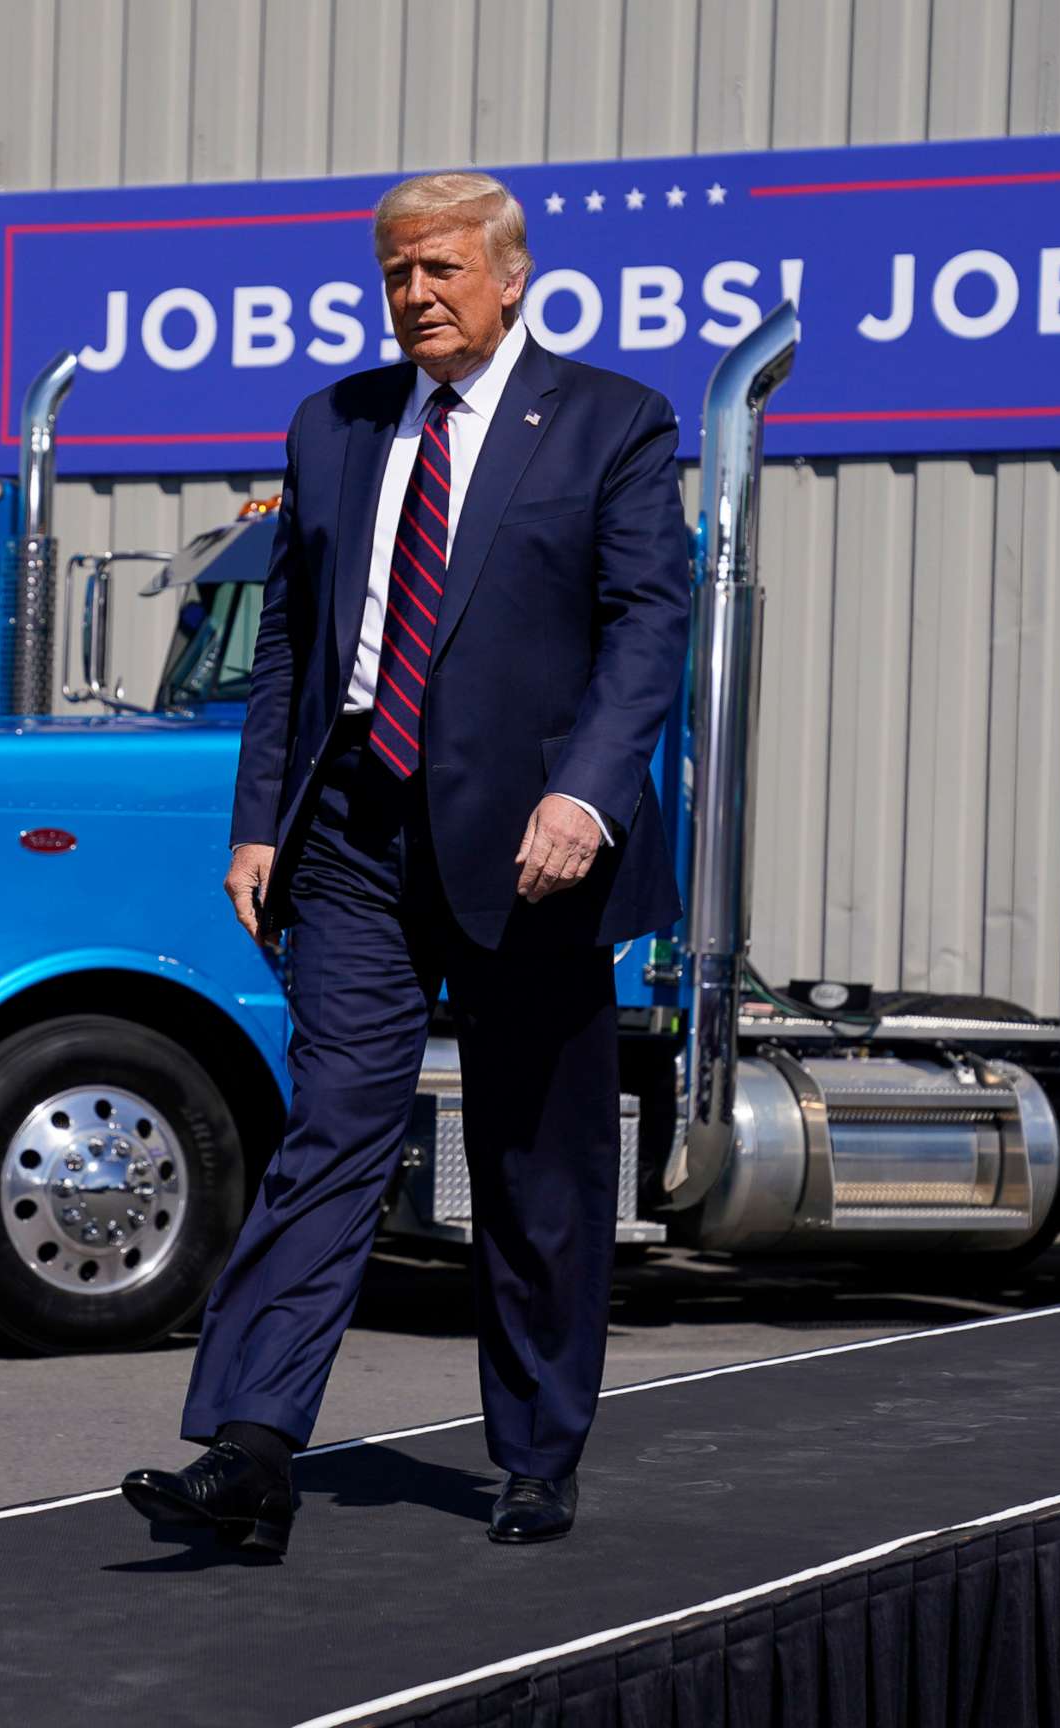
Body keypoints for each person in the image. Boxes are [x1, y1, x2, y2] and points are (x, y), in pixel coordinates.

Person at [122, 171, 691, 1554]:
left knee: (532, 1160)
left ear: (511, 278)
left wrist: (587, 797)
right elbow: (288, 649)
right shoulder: (336, 427)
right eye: (395, 275)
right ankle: (251, 1452)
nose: (415, 296)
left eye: (439, 269)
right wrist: (260, 819)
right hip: (356, 838)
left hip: (534, 847)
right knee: (333, 1132)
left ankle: (540, 1451)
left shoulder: (612, 423)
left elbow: (646, 631)